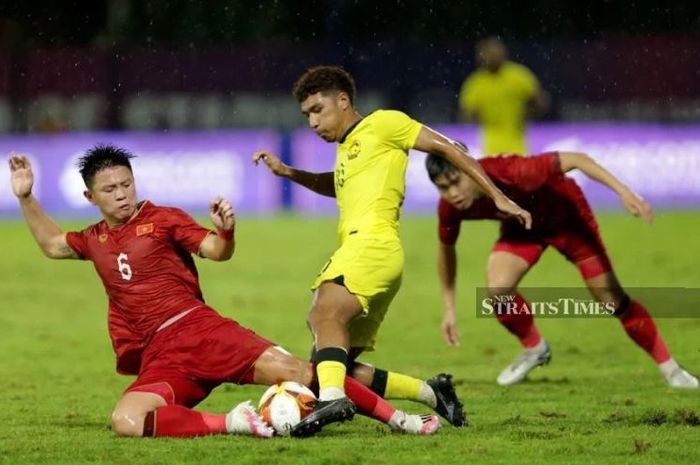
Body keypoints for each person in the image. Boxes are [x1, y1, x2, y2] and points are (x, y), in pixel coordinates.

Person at [7, 145, 446, 439]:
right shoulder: (94, 238)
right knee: (126, 419)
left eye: (126, 184)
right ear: (90, 195)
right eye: (110, 190)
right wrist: (27, 198)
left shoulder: (163, 219)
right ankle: (236, 422)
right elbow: (51, 244)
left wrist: (227, 231)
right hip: (162, 355)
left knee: (305, 374)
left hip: (202, 331)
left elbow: (216, 252)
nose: (122, 195)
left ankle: (401, 418)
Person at [253, 65, 533, 436]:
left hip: (372, 245)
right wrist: (290, 173)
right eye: (307, 115)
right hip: (367, 251)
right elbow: (338, 186)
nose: (312, 122)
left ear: (343, 100)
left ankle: (333, 400)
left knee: (323, 313)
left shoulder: (384, 123)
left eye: (318, 110)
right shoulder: (347, 147)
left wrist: (498, 196)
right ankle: (431, 393)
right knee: (326, 365)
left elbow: (446, 147)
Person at [425, 147, 698, 388]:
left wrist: (624, 192)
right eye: (442, 187)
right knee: (498, 290)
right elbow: (445, 250)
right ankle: (535, 348)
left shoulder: (514, 172)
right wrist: (449, 307)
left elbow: (578, 159)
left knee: (611, 300)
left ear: (469, 168)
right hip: (525, 228)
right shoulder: (450, 208)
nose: (453, 194)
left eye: (455, 182)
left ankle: (672, 370)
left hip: (569, 222)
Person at [458, 37, 549, 155]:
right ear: (480, 57)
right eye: (488, 54)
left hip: (518, 148)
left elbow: (541, 101)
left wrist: (529, 113)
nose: (493, 57)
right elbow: (466, 115)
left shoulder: (518, 76)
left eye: (496, 53)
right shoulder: (475, 83)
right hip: (490, 149)